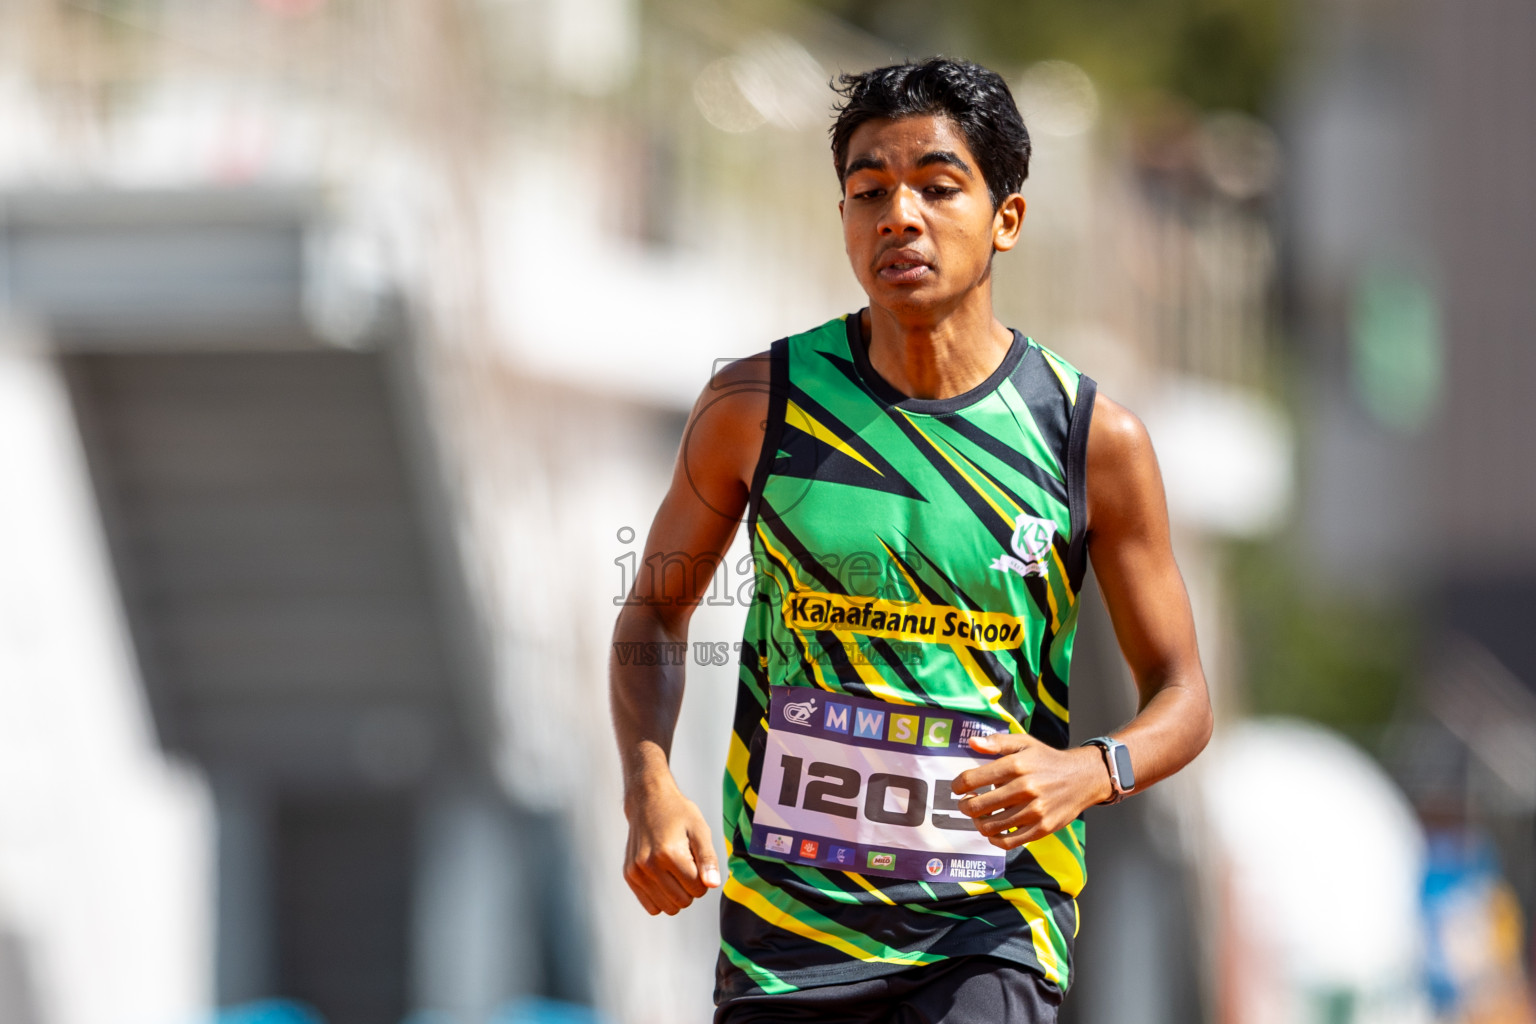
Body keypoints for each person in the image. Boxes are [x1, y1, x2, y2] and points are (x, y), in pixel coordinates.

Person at [609, 57, 1212, 1023]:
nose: (900, 216)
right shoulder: (757, 407)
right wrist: (649, 784)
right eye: (868, 191)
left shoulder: (1089, 438)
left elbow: (1184, 695)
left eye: (937, 187)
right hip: (787, 937)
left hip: (989, 924)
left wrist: (1088, 769)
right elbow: (654, 611)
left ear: (1005, 218)